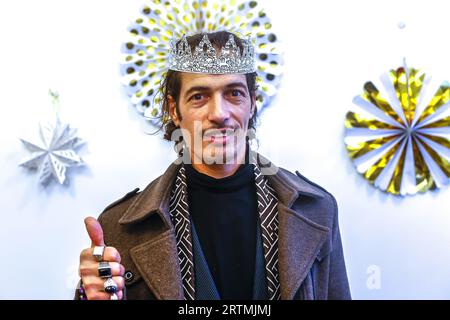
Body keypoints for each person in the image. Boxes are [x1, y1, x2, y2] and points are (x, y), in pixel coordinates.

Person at [76, 31, 351, 300]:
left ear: (253, 103)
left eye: (234, 93)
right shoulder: (120, 227)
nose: (219, 114)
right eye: (199, 96)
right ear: (174, 109)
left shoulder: (316, 210)